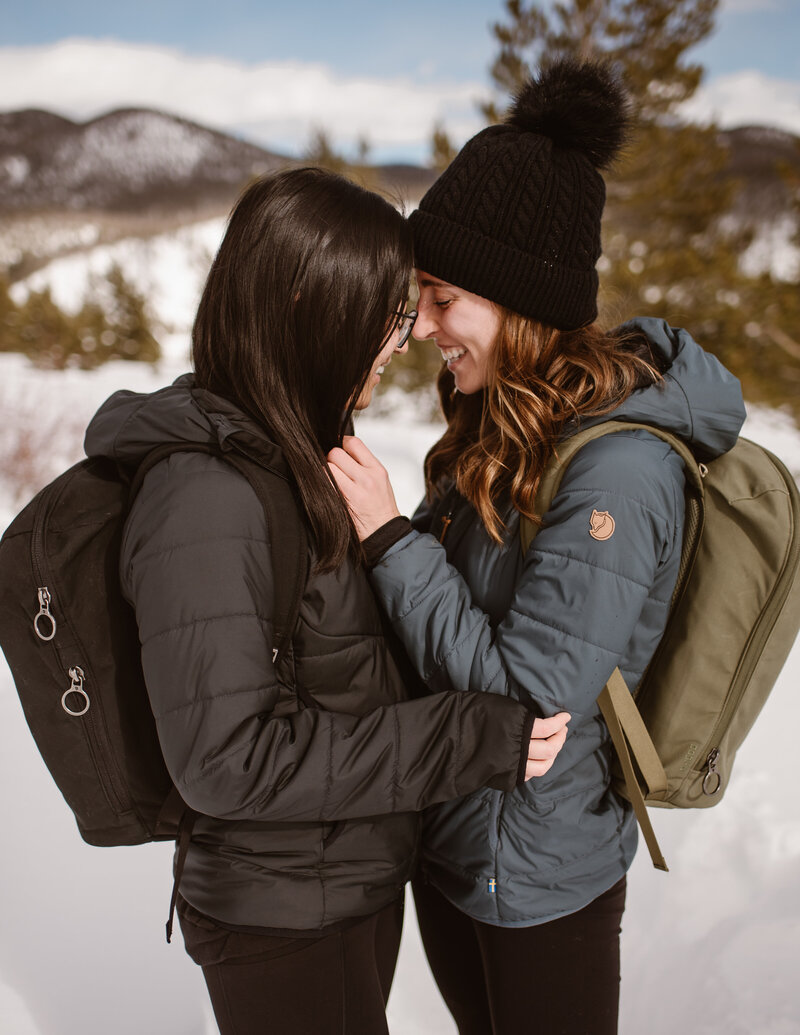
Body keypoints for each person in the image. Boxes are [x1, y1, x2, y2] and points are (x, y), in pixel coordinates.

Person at [83, 166, 570, 1035]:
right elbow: (228, 758)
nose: (405, 335)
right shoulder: (207, 493)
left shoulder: (289, 454)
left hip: (335, 884)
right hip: (280, 920)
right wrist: (462, 734)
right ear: (314, 300)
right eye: (388, 311)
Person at [327, 59, 747, 1034]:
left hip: (534, 875)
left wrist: (390, 537)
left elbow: (525, 704)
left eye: (441, 299)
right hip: (450, 840)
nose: (421, 326)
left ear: (515, 302)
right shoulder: (501, 421)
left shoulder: (616, 474)